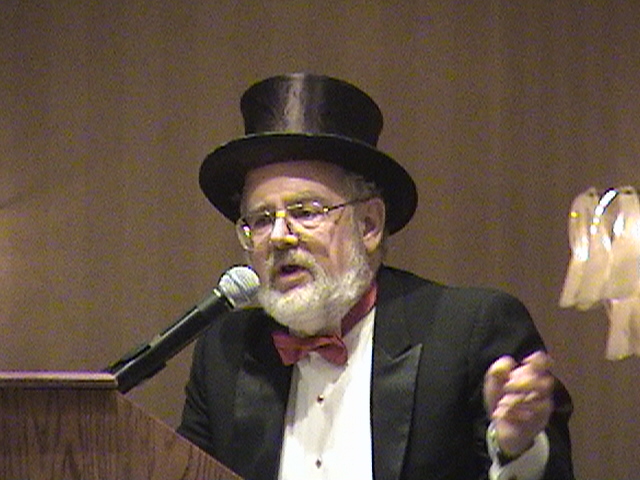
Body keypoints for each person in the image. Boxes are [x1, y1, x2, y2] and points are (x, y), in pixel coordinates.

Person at [177, 73, 574, 480]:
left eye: (306, 212)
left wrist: (517, 449)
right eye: (261, 220)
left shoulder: (468, 332)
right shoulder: (224, 353)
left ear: (368, 225)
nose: (278, 237)